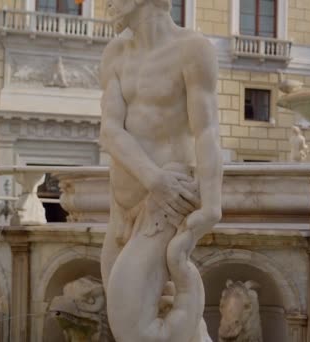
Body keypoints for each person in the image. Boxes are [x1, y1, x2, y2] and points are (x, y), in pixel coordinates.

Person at [99, 0, 222, 341]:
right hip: (125, 203)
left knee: (133, 327)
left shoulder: (192, 49)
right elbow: (109, 131)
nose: (106, 3)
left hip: (166, 203)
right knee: (130, 307)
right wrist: (153, 179)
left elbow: (207, 131)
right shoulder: (115, 53)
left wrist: (212, 205)